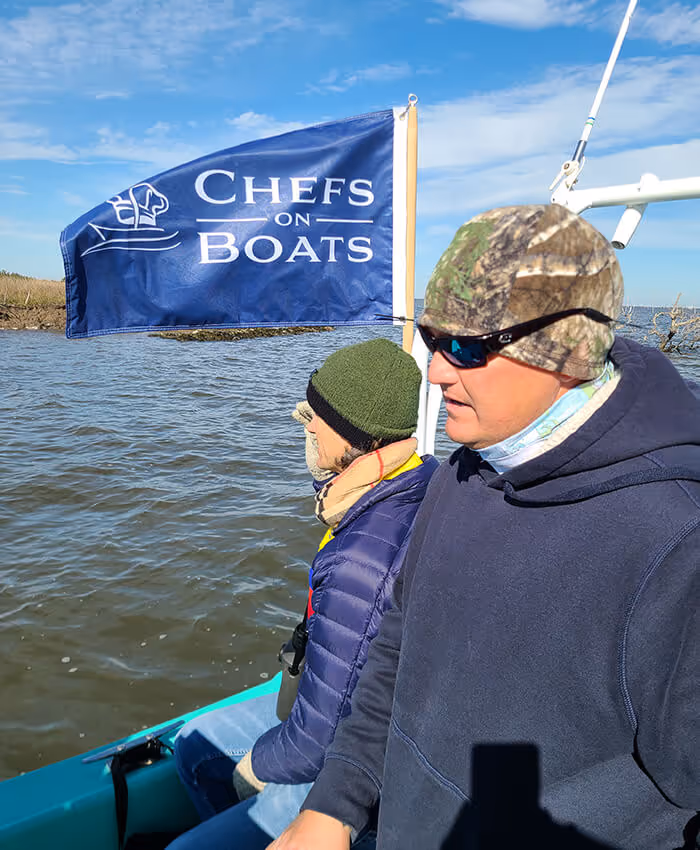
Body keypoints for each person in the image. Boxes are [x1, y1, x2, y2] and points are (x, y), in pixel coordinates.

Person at [269, 204, 700, 850]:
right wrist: (333, 805)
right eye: (431, 338)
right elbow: (395, 653)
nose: (437, 371)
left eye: (467, 347)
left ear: (566, 353)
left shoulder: (676, 553)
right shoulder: (462, 474)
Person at [167, 338, 438, 850]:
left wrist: (257, 768)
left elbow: (317, 742)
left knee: (197, 762)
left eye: (319, 417)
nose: (307, 425)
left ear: (358, 434)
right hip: (372, 717)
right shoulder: (423, 478)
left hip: (351, 758)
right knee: (190, 741)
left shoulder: (359, 560)